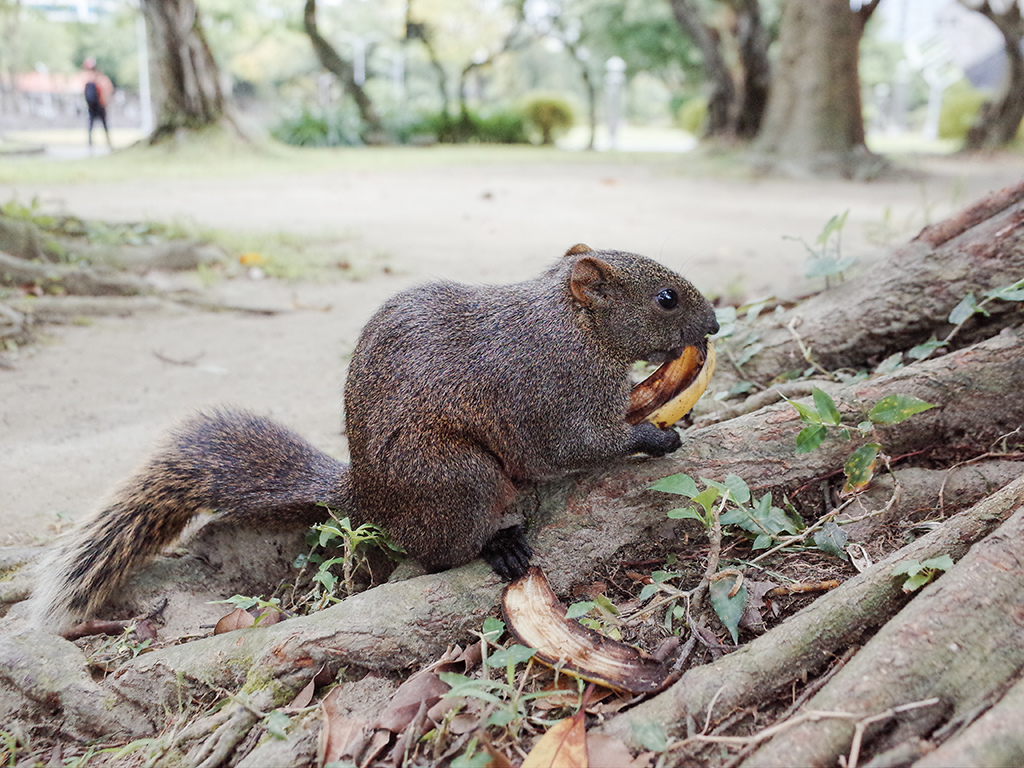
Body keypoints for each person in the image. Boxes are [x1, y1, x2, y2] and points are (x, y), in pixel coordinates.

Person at [82, 58, 113, 150]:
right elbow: (108, 91)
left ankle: (91, 144)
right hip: (99, 106)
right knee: (103, 125)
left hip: (94, 106)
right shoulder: (100, 79)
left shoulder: (87, 79)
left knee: (93, 126)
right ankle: (105, 143)